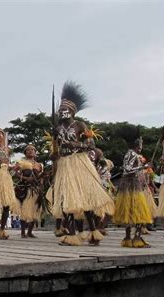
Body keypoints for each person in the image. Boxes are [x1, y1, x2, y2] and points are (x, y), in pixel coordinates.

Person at [48, 81, 113, 246]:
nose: (61, 111)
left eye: (64, 109)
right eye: (60, 109)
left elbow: (91, 145)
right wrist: (54, 155)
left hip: (79, 163)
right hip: (64, 165)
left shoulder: (79, 125)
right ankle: (71, 235)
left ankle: (93, 232)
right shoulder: (57, 128)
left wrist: (76, 144)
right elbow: (55, 149)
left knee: (85, 200)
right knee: (66, 199)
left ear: (71, 111)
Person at [113, 127, 153, 247]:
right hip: (132, 186)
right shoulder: (133, 154)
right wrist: (143, 167)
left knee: (129, 212)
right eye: (141, 142)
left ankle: (127, 238)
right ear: (137, 143)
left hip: (128, 185)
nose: (142, 144)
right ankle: (137, 239)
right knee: (139, 212)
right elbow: (127, 169)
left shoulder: (129, 154)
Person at [14, 145, 44, 238]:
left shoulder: (39, 165)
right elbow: (15, 173)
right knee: (25, 210)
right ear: (25, 153)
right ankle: (23, 232)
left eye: (32, 150)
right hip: (25, 189)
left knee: (35, 210)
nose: (30, 151)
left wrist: (41, 186)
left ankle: (30, 232)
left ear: (35, 152)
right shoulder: (21, 162)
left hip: (36, 189)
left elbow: (41, 178)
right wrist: (25, 178)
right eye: (28, 150)